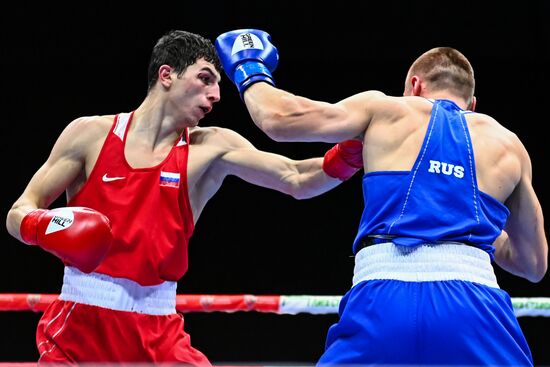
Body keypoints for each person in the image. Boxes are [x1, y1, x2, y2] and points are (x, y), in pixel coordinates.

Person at [5, 30, 364, 366]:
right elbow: (19, 211)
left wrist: (354, 149)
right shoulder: (89, 135)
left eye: (219, 85)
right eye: (205, 78)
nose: (216, 95)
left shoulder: (210, 147)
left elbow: (297, 178)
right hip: (79, 327)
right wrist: (46, 226)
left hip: (159, 333)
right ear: (167, 75)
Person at [215, 29, 548, 366]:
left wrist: (250, 67)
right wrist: (475, 221)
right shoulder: (509, 145)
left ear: (414, 87)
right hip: (474, 306)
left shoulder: (387, 109)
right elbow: (533, 264)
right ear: (473, 105)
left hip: (383, 299)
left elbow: (279, 119)